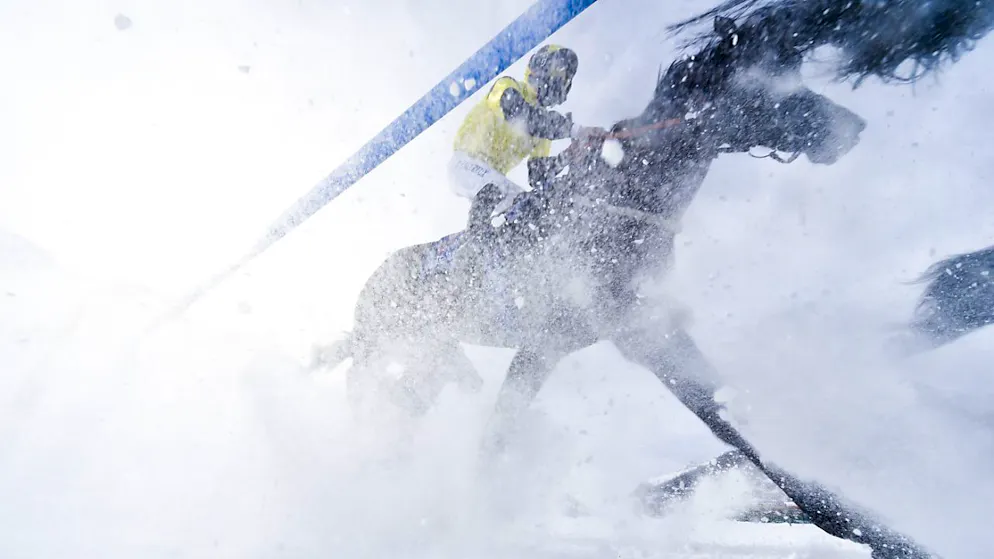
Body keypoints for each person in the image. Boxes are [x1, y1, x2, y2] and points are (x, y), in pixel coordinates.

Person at [449, 44, 605, 238]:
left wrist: (568, 155)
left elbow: (538, 176)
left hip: (491, 176)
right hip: (465, 162)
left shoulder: (541, 130)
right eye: (559, 75)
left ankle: (506, 249)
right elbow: (520, 114)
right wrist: (576, 130)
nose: (561, 82)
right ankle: (476, 242)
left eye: (564, 80)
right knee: (496, 187)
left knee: (526, 205)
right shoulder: (507, 87)